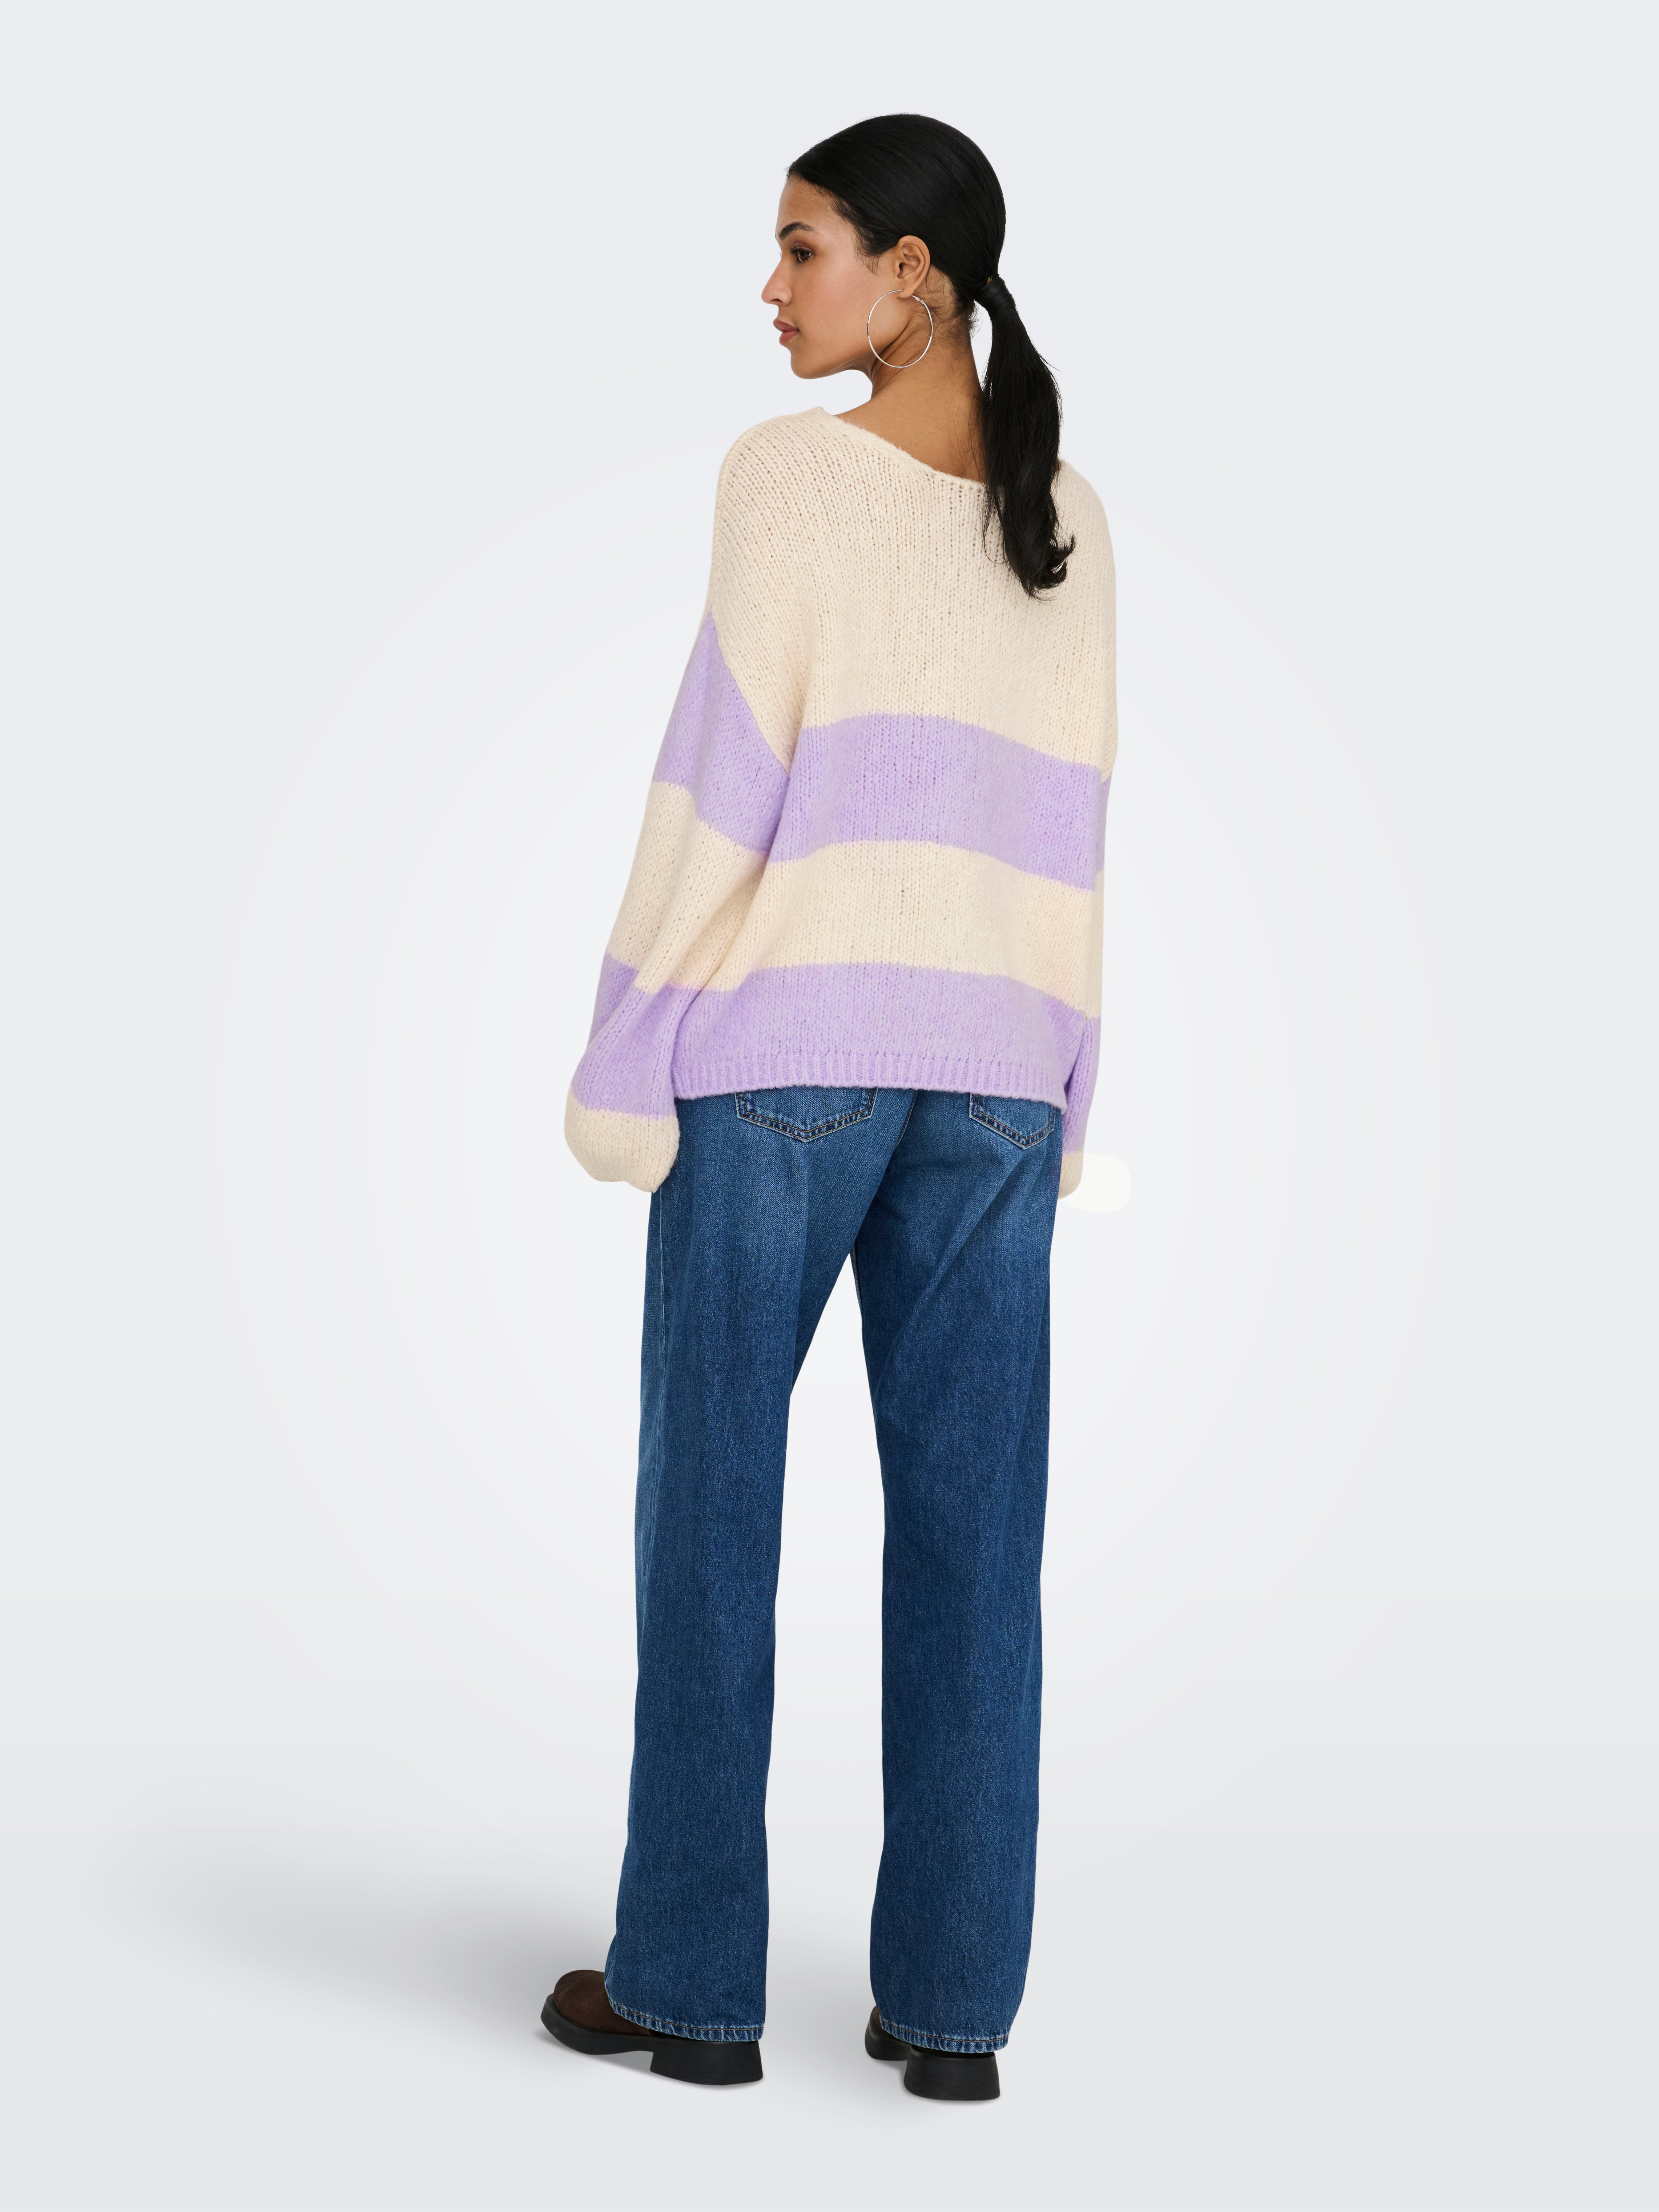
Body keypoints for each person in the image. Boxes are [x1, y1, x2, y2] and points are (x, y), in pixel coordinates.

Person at [541, 113, 1116, 2100]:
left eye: (804, 249)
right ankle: (950, 2018)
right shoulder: (1068, 515)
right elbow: (1070, 831)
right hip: (999, 1082)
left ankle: (693, 1991)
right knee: (977, 1546)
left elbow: (718, 782)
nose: (772, 290)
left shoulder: (787, 476)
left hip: (784, 1059)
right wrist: (1067, 1078)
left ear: (914, 274)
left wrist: (623, 1047)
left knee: (711, 1517)